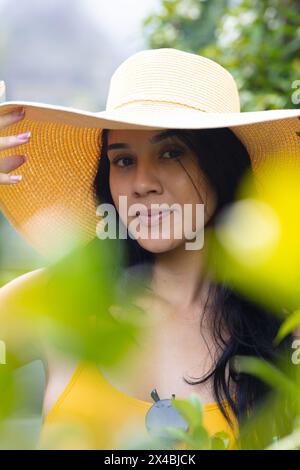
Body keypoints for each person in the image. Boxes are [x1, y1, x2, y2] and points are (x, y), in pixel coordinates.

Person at [0, 48, 299, 450]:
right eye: (123, 160)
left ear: (221, 166)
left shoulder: (283, 324)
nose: (142, 183)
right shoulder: (57, 298)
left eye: (171, 152)